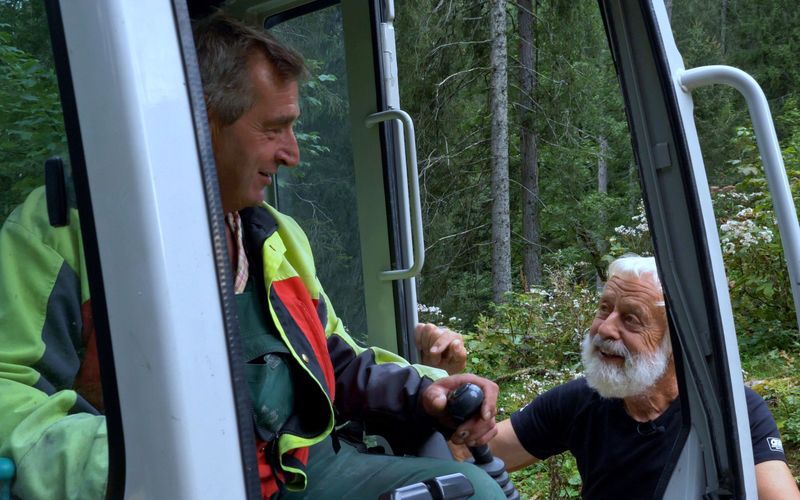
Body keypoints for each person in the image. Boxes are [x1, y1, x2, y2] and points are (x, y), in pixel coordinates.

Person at [0, 14, 502, 500]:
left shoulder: (275, 235)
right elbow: (9, 394)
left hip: (306, 467)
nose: (292, 153)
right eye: (273, 128)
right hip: (171, 481)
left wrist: (424, 393)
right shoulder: (66, 230)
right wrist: (156, 464)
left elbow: (331, 359)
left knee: (472, 489)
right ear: (201, 121)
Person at [485, 255, 800, 499]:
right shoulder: (580, 401)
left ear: (676, 342)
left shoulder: (731, 410)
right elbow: (477, 450)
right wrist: (446, 388)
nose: (605, 328)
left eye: (631, 319)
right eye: (604, 308)